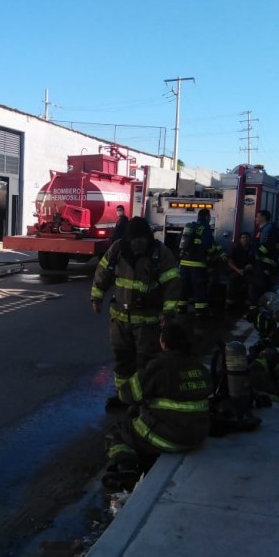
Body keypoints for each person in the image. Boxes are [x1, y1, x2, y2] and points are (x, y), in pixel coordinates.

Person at [101, 323, 212, 491]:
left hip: (171, 438)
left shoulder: (161, 367)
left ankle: (126, 468)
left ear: (164, 344)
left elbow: (127, 395)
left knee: (117, 433)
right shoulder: (199, 367)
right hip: (198, 435)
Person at [91, 216, 181, 410]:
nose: (138, 244)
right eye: (134, 240)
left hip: (148, 322)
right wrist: (96, 297)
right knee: (123, 360)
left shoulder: (161, 254)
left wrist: (168, 314)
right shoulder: (117, 250)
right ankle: (124, 397)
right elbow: (103, 272)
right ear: (128, 239)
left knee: (146, 361)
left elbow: (172, 285)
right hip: (119, 319)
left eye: (142, 239)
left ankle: (145, 400)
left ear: (148, 238)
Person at [177, 208, 215, 317]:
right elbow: (208, 244)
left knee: (183, 286)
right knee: (199, 287)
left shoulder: (189, 226)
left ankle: (181, 307)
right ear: (207, 217)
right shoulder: (205, 228)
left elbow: (178, 241)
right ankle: (200, 311)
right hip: (198, 264)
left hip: (184, 263)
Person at [248, 209, 279, 317]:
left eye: (257, 216)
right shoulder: (263, 229)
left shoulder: (271, 229)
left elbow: (269, 245)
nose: (256, 219)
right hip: (261, 264)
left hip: (265, 265)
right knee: (257, 289)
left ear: (263, 217)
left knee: (260, 289)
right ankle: (258, 312)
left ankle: (262, 312)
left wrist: (259, 252)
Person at [225, 232, 254, 311]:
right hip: (237, 271)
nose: (245, 239)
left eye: (247, 237)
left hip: (248, 272)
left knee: (251, 283)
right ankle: (229, 304)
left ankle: (249, 304)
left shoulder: (252, 249)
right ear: (240, 239)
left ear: (249, 239)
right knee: (231, 280)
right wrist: (238, 270)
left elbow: (256, 261)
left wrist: (251, 266)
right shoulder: (236, 249)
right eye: (243, 237)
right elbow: (230, 262)